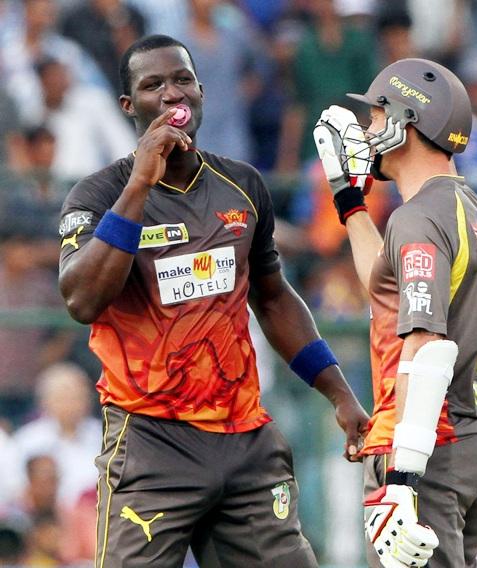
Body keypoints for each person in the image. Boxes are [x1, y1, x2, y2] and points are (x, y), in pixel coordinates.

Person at [57, 34, 368, 568]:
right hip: (151, 440)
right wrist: (139, 184)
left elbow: (273, 299)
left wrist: (339, 393)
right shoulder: (99, 193)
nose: (172, 93)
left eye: (182, 79)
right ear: (130, 106)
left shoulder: (242, 186)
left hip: (244, 437)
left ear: (201, 90)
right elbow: (82, 300)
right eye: (153, 85)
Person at [313, 58, 477, 567]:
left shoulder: (418, 216)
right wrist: (349, 202)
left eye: (376, 117)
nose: (368, 130)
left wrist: (401, 479)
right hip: (473, 433)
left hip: (429, 440)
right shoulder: (467, 208)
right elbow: (386, 282)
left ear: (406, 122)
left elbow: (426, 346)